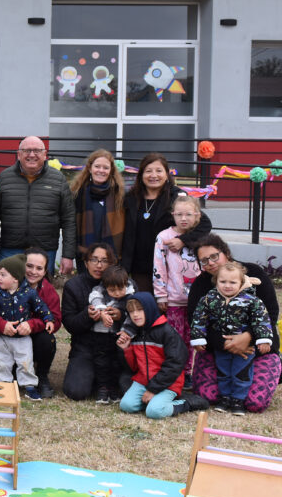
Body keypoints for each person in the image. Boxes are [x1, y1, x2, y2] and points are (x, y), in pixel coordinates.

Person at [188, 235, 280, 413]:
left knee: (254, 403)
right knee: (208, 397)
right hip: (217, 348)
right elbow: (196, 320)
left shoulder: (253, 273)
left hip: (258, 349)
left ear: (226, 253)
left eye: (214, 256)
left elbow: (270, 313)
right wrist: (227, 343)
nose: (211, 263)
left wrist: (248, 337)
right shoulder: (201, 285)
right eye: (204, 261)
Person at [0, 248, 63, 398]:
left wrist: (32, 324)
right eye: (29, 266)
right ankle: (10, 377)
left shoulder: (48, 291)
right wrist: (1, 324)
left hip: (31, 339)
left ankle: (41, 376)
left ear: (44, 271)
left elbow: (55, 319)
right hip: (4, 339)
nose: (33, 271)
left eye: (39, 268)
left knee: (46, 340)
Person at [122, 152, 212, 291]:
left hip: (170, 264)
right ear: (141, 175)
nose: (154, 175)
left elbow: (204, 223)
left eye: (159, 171)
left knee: (168, 307)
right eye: (148, 171)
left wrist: (183, 240)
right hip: (140, 266)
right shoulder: (131, 198)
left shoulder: (176, 196)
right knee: (145, 305)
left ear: (166, 174)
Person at [0, 136, 76, 275]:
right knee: (6, 293)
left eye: (36, 151)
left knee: (41, 294)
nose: (31, 155)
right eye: (26, 150)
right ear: (19, 154)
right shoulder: (5, 177)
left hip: (45, 250)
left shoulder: (58, 179)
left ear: (44, 154)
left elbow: (69, 220)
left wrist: (68, 255)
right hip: (10, 249)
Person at [61, 243, 122, 401]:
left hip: (115, 348)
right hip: (85, 348)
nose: (99, 265)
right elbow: (69, 324)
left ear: (111, 263)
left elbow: (137, 313)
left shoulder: (122, 281)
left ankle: (104, 380)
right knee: (75, 391)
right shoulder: (73, 286)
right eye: (94, 260)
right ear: (86, 262)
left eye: (104, 261)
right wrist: (87, 316)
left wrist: (120, 314)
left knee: (125, 387)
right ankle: (95, 378)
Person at [117, 292, 194, 419]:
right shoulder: (135, 333)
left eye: (140, 310)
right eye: (131, 311)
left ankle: (187, 402)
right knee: (126, 406)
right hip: (143, 381)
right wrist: (127, 349)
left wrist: (153, 389)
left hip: (168, 383)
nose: (135, 314)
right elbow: (135, 367)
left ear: (150, 309)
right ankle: (155, 401)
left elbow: (175, 364)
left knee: (155, 412)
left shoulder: (167, 332)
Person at [153, 194, 203, 376]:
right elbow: (158, 267)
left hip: (197, 301)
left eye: (188, 214)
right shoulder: (164, 237)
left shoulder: (203, 237)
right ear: (173, 215)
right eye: (179, 214)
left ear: (197, 215)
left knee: (193, 339)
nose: (184, 218)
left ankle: (188, 372)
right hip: (173, 299)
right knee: (175, 339)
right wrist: (160, 294)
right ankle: (175, 373)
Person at [83, 265, 134, 403]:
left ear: (126, 284)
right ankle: (102, 387)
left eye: (120, 289)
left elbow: (132, 314)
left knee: (117, 362)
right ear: (105, 286)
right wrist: (102, 312)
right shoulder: (98, 291)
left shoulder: (130, 295)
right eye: (112, 290)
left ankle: (113, 388)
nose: (117, 293)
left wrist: (126, 329)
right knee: (101, 362)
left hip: (119, 335)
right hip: (101, 334)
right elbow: (94, 298)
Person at [69, 149, 125, 273]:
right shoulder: (78, 193)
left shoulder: (120, 194)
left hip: (112, 255)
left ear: (111, 171)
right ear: (89, 168)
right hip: (85, 254)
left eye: (105, 167)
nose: (101, 170)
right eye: (97, 166)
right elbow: (70, 225)